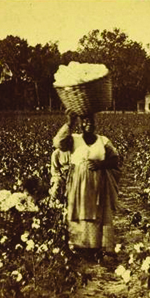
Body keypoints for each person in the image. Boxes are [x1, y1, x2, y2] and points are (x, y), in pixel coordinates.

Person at [53, 111, 120, 261]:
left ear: (96, 124)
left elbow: (115, 159)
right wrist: (69, 123)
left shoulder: (103, 141)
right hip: (78, 184)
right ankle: (79, 248)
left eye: (91, 121)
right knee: (78, 211)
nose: (88, 124)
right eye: (84, 121)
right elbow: (58, 143)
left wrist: (100, 164)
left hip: (98, 184)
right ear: (80, 124)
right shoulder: (74, 139)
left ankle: (96, 248)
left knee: (97, 213)